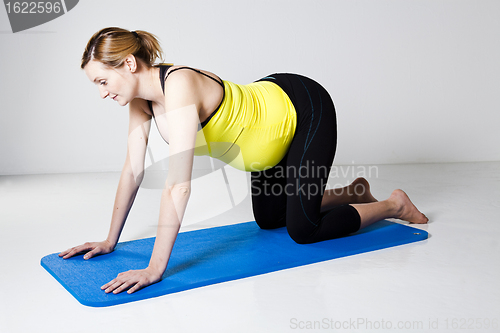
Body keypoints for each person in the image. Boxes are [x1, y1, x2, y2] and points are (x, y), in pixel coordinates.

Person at [59, 27, 428, 295]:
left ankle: (393, 203)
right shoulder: (140, 101)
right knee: (269, 220)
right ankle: (351, 192)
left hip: (300, 109)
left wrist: (156, 268)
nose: (102, 93)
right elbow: (133, 168)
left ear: (127, 63)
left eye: (102, 82)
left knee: (304, 230)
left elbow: (178, 184)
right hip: (265, 140)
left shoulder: (180, 85)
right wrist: (110, 240)